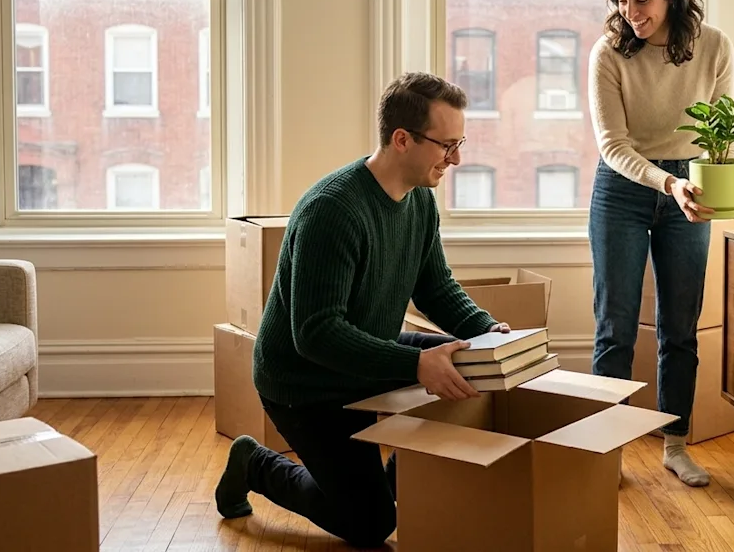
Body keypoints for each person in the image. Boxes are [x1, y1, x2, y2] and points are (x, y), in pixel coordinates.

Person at [213, 71, 511, 548]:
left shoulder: (419, 201)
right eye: (447, 145)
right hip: (306, 380)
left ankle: (397, 473)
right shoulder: (333, 210)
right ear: (402, 139)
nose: (456, 158)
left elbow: (435, 286)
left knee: (474, 365)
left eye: (461, 143)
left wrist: (490, 333)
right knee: (370, 525)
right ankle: (256, 463)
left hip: (366, 351)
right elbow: (316, 333)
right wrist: (415, 363)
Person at [587, 0, 734, 488]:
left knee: (680, 326)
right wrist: (669, 183)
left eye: (641, 0)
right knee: (615, 327)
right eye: (622, 1)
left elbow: (718, 133)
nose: (630, 14)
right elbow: (613, 145)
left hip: (688, 186)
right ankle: (603, 450)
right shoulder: (608, 53)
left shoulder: (715, 46)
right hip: (624, 187)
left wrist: (727, 185)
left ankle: (676, 445)